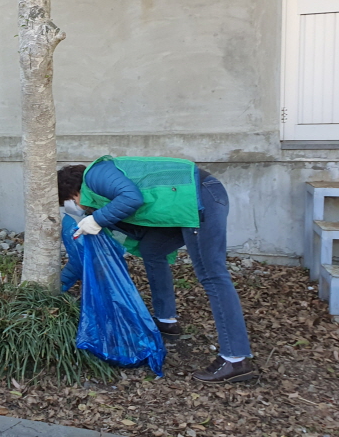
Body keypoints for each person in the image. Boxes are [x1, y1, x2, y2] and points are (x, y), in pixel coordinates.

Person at [57, 157, 257, 384]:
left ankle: (236, 358)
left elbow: (132, 197)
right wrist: (58, 286)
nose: (77, 208)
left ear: (73, 192)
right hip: (183, 202)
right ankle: (166, 320)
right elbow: (79, 259)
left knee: (212, 275)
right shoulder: (99, 200)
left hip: (200, 196)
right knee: (152, 249)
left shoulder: (95, 175)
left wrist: (98, 219)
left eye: (69, 202)